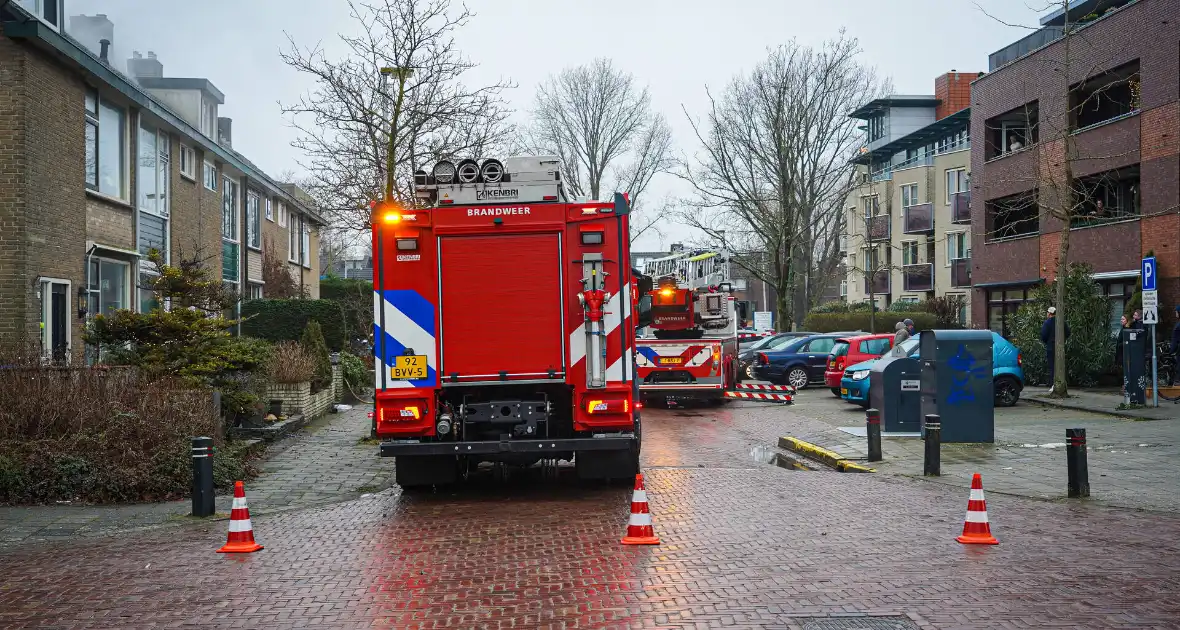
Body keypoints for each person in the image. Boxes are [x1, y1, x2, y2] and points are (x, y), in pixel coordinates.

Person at [1040, 306, 1070, 392]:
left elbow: (1043, 335)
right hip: (1060, 346)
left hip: (1051, 346)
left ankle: (1054, 384)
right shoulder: (1061, 322)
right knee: (1060, 365)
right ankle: (1062, 382)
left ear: (1049, 313)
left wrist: (1048, 342)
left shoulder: (1047, 323)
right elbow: (1068, 332)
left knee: (1052, 366)